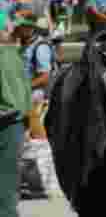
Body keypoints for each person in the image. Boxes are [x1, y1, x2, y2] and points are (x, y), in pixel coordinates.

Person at [0, 11, 30, 217]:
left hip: (10, 124)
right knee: (7, 187)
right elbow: (18, 100)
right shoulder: (10, 55)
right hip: (11, 125)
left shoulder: (11, 54)